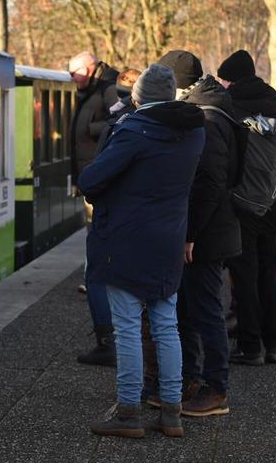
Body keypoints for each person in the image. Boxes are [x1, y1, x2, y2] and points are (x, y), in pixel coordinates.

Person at [81, 64, 205, 438]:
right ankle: (171, 413)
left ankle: (129, 413)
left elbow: (91, 179)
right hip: (168, 239)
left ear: (138, 96)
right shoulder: (194, 131)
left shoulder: (133, 130)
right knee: (167, 325)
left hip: (128, 240)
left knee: (129, 327)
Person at [155, 50, 242, 417]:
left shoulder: (206, 118)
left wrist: (189, 233)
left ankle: (215, 387)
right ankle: (189, 379)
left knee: (205, 310)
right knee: (190, 307)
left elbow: (210, 182)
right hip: (207, 227)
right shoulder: (211, 107)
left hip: (207, 232)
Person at [216, 50, 276, 365]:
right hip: (274, 206)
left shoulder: (231, 110)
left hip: (240, 206)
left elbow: (228, 161)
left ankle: (250, 346)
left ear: (230, 79)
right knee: (267, 271)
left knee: (243, 275)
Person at [68, 52, 120, 366]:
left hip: (98, 177)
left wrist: (90, 128)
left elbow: (119, 120)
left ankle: (107, 340)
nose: (72, 79)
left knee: (97, 242)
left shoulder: (108, 89)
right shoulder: (93, 89)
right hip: (90, 174)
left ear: (88, 70)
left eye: (74, 74)